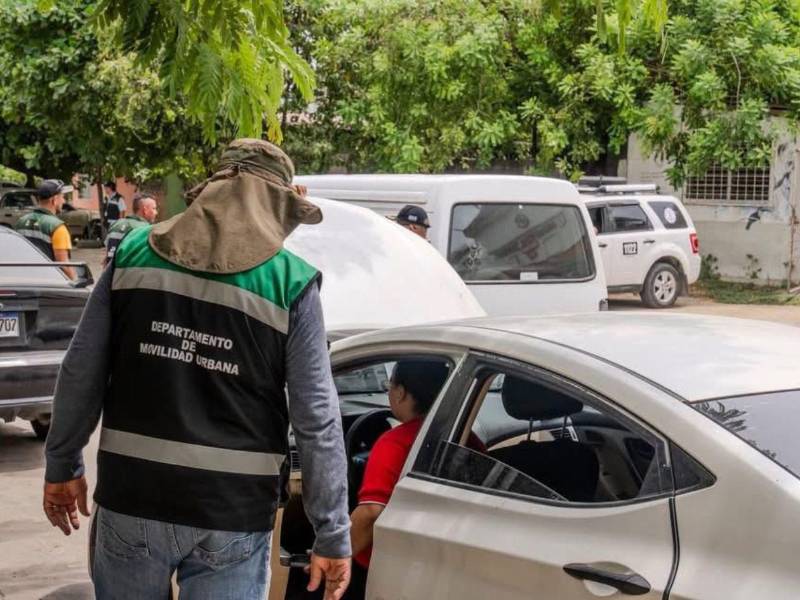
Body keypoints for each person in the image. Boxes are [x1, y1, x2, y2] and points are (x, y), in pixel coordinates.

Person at [43, 139, 352, 600]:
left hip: (133, 498)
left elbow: (80, 371)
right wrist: (332, 531)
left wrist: (63, 464)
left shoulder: (132, 254)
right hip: (232, 514)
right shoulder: (290, 282)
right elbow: (317, 418)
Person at [346, 360, 452, 599]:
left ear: (401, 392)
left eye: (389, 385)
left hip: (386, 568)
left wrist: (334, 553)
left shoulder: (394, 442)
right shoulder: (466, 438)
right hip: (439, 561)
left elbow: (371, 512)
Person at [15, 178, 75, 280]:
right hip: (48, 282)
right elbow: (63, 264)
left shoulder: (21, 221)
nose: (64, 201)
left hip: (23, 280)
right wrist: (75, 282)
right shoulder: (58, 227)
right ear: (54, 200)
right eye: (62, 197)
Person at [103, 192, 158, 265]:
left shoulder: (115, 224)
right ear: (145, 210)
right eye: (154, 208)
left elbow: (107, 255)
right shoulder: (145, 229)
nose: (156, 212)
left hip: (112, 270)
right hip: (129, 270)